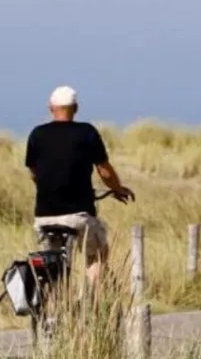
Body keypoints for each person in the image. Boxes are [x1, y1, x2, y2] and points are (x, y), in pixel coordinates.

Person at [24, 85, 134, 289]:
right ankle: (92, 301)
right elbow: (104, 171)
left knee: (52, 262)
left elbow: (33, 170)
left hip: (44, 216)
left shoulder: (37, 134)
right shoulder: (87, 132)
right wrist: (118, 189)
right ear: (76, 108)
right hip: (78, 215)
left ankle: (51, 306)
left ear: (50, 108)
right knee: (97, 254)